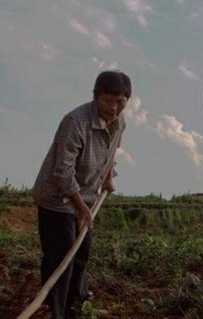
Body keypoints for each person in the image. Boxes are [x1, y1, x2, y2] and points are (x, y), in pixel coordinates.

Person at [32, 71, 130, 319]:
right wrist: (81, 207)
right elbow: (62, 173)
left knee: (81, 253)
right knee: (61, 257)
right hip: (57, 198)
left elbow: (111, 151)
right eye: (109, 101)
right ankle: (56, 311)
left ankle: (77, 305)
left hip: (85, 198)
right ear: (96, 97)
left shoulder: (119, 122)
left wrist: (108, 177)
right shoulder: (75, 122)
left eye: (121, 102)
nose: (115, 108)